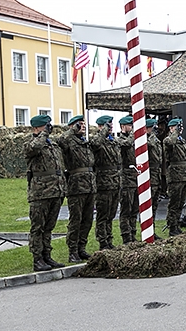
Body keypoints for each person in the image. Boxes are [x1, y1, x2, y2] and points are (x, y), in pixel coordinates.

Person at [25, 114, 66, 271]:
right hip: (40, 192)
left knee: (49, 227)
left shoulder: (52, 143)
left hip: (56, 190)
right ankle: (37, 259)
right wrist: (43, 135)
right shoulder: (30, 142)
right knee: (38, 227)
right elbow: (33, 149)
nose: (48, 128)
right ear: (36, 128)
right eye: (45, 126)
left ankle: (47, 255)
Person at [56, 115, 95, 262]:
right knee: (76, 220)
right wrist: (72, 131)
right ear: (73, 126)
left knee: (87, 219)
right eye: (80, 124)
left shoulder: (84, 141)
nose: (83, 126)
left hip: (90, 185)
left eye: (84, 124)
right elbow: (61, 141)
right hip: (76, 186)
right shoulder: (68, 140)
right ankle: (72, 251)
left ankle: (81, 248)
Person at [89, 115, 121, 250]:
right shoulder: (96, 140)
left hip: (115, 181)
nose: (111, 127)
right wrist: (103, 131)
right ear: (101, 126)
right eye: (108, 125)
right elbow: (95, 144)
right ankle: (102, 241)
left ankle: (109, 238)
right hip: (104, 183)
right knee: (103, 214)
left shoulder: (112, 141)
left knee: (111, 214)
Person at [164, 118, 186, 235]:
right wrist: (175, 132)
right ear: (171, 128)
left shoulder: (181, 140)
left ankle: (177, 223)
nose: (181, 129)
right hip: (175, 176)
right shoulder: (168, 140)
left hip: (184, 174)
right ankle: (172, 226)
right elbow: (170, 143)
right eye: (178, 127)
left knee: (181, 202)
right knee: (174, 202)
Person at [116, 116, 139, 244]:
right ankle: (126, 235)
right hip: (125, 177)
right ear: (123, 126)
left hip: (134, 177)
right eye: (129, 125)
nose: (131, 128)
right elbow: (126, 144)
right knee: (126, 209)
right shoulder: (120, 140)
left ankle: (133, 233)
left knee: (135, 208)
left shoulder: (133, 140)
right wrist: (133, 136)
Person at [145, 118, 163, 232]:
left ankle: (153, 229)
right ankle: (148, 230)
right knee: (149, 204)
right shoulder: (146, 140)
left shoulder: (154, 139)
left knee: (155, 205)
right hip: (150, 175)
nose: (155, 130)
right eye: (152, 128)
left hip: (157, 174)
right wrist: (150, 134)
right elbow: (150, 145)